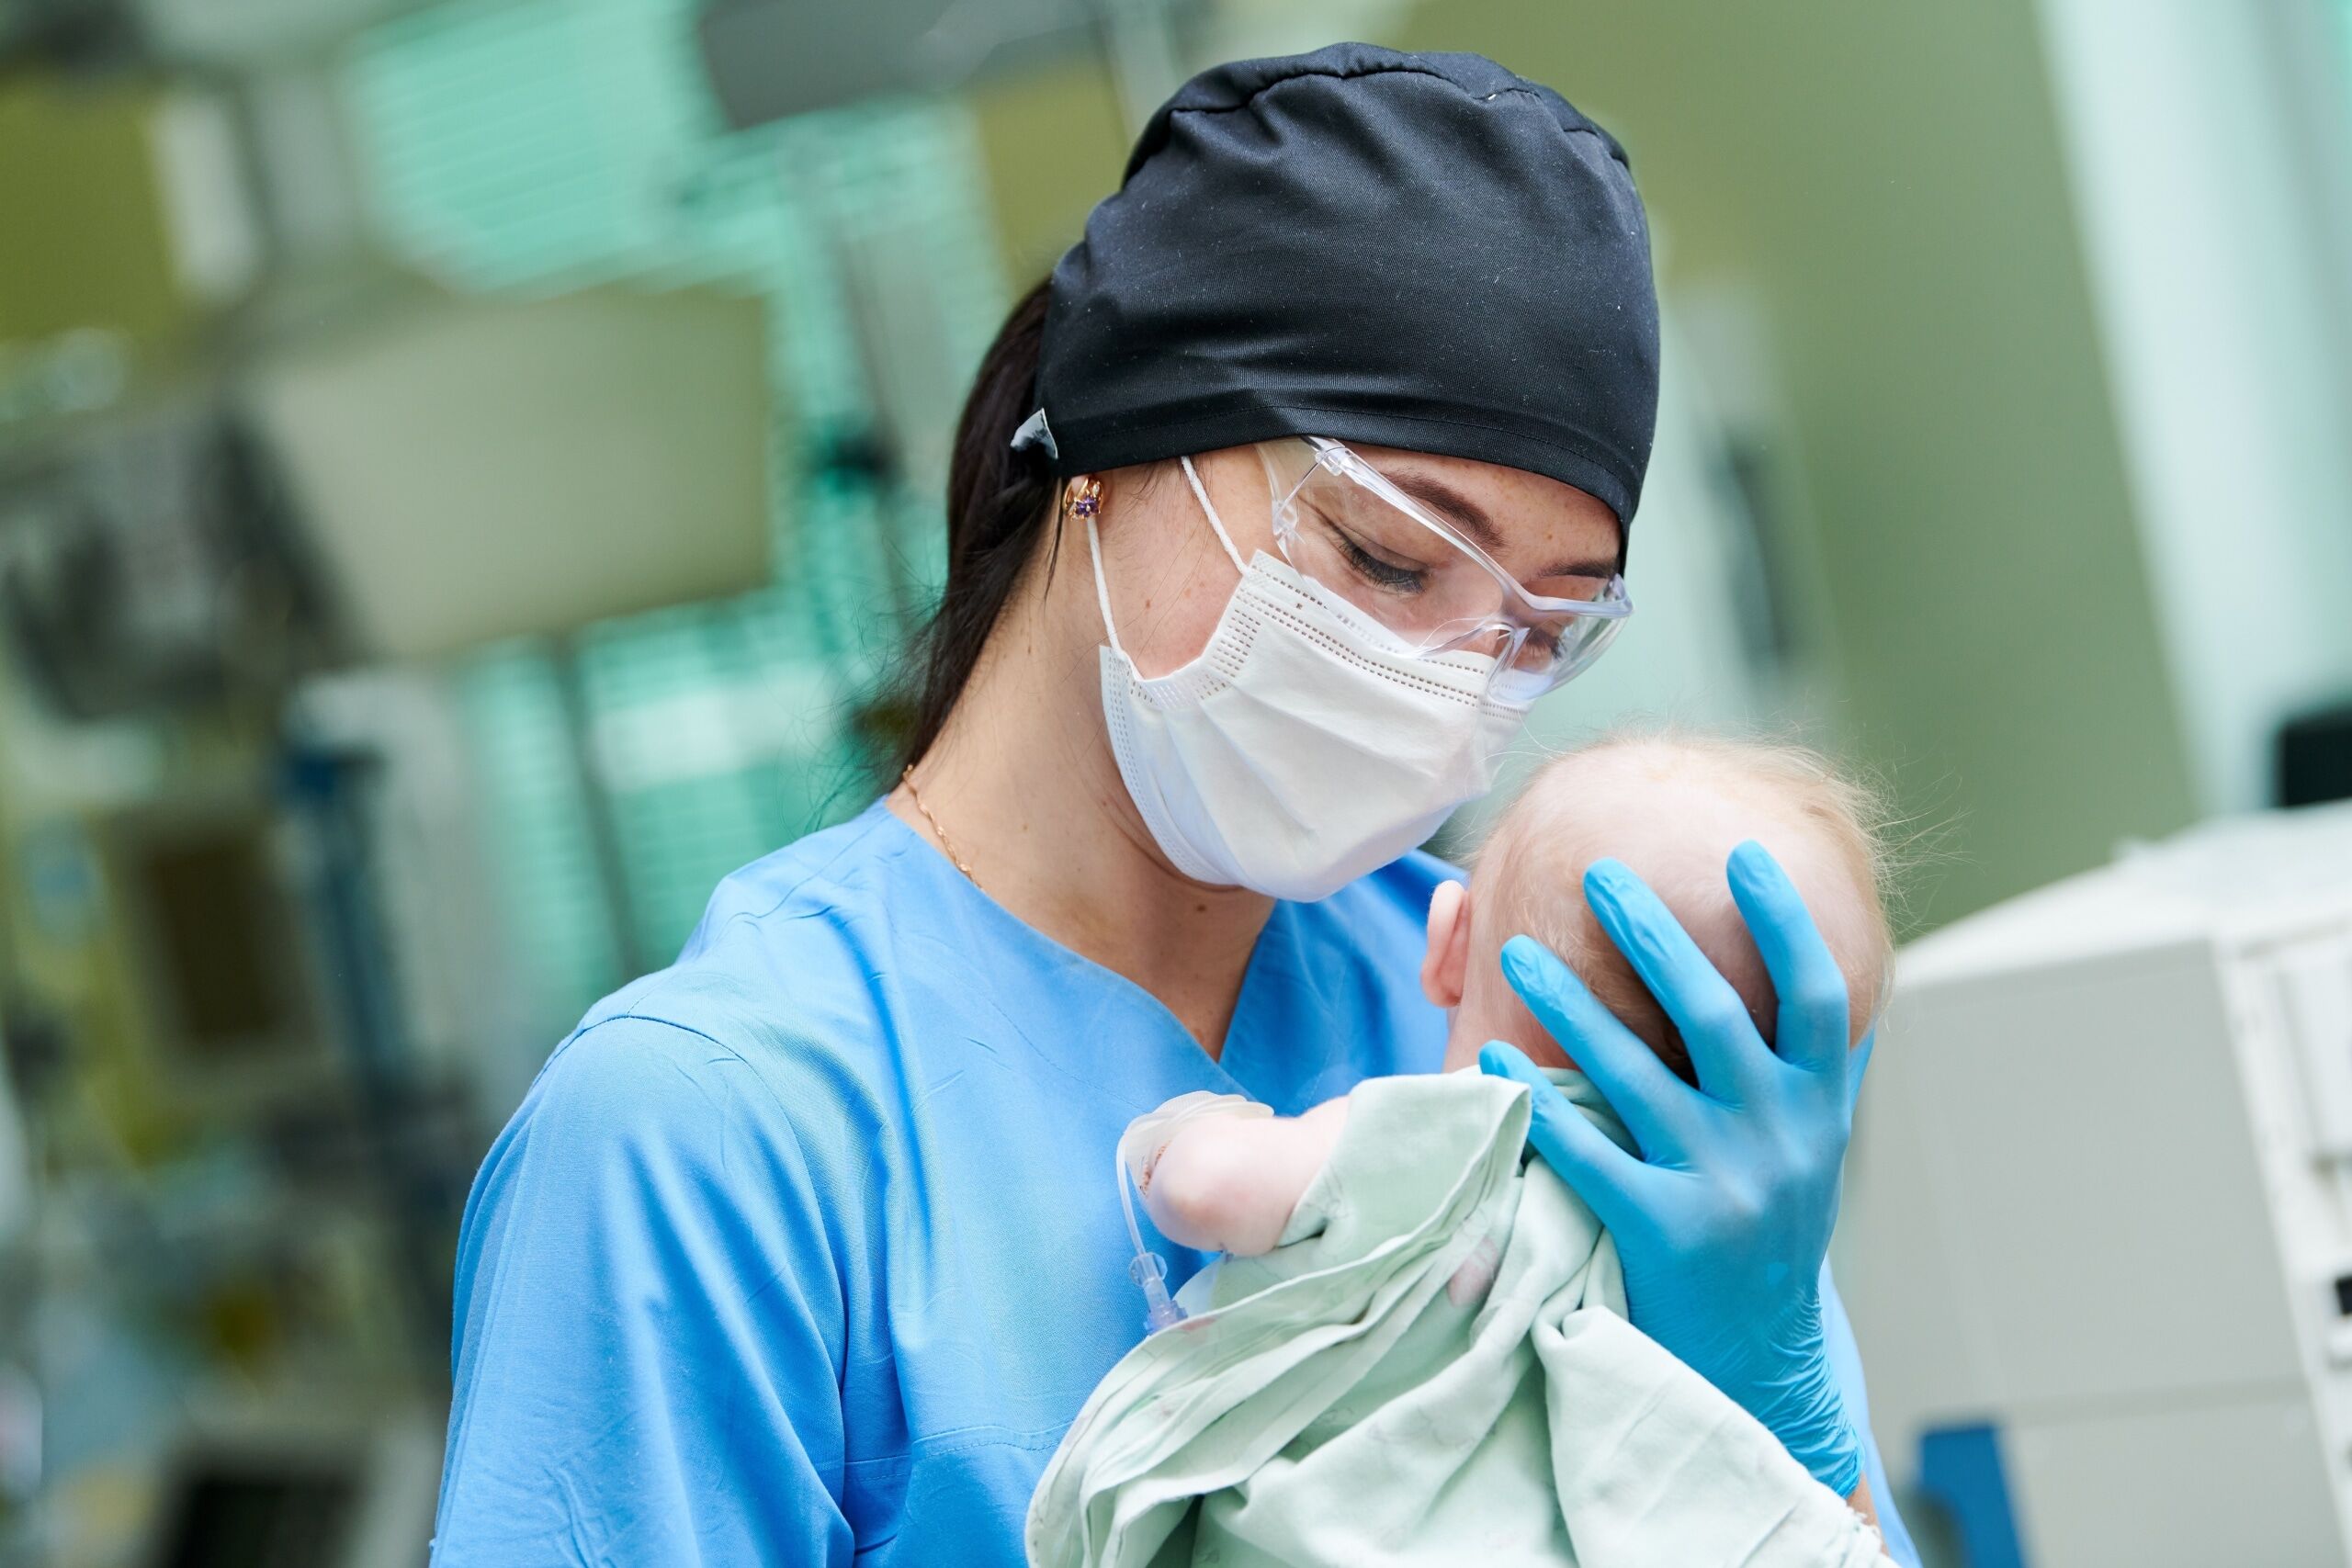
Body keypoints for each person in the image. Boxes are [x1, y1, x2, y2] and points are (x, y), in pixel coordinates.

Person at [429, 44, 1921, 1567]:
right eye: (1387, 560)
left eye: (1535, 633)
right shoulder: (712, 1139)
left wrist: (1774, 1403)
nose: (1441, 683)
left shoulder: (1517, 1002)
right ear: (1115, 452)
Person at [1028, 732, 1894, 1564]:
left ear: (1446, 945)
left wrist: (1188, 1134)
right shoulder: (1719, 1248)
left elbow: (1208, 1187)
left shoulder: (1445, 1142)